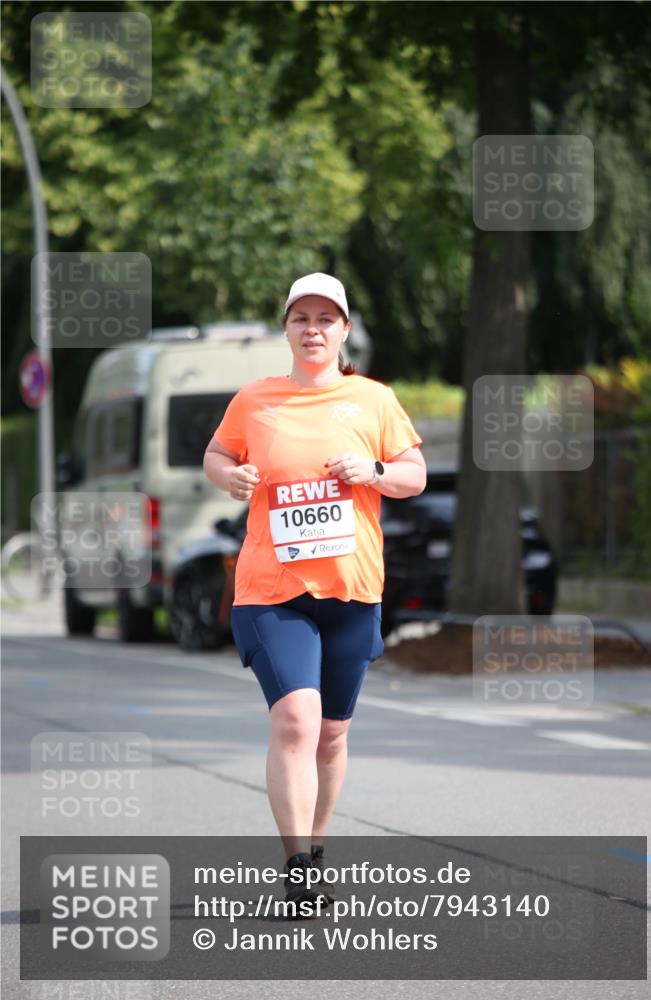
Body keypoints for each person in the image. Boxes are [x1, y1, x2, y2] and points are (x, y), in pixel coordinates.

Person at [203, 272, 426, 911]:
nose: (313, 329)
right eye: (302, 318)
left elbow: (414, 474)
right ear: (287, 328)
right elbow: (215, 456)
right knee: (296, 720)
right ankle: (298, 864)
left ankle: (317, 841)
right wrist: (232, 475)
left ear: (344, 330)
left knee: (331, 733)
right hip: (272, 589)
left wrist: (375, 471)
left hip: (352, 588)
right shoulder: (256, 399)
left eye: (326, 319)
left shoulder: (373, 400)